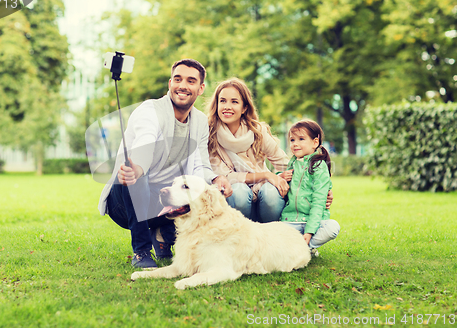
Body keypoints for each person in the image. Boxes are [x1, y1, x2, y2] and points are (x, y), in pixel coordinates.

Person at [98, 59, 233, 269]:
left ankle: (163, 233)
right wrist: (137, 168)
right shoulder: (150, 110)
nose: (183, 86)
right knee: (138, 178)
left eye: (191, 81)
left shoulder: (199, 122)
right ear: (170, 83)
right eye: (178, 79)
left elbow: (200, 165)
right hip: (125, 201)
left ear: (200, 88)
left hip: (163, 200)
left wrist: (215, 178)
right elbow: (145, 144)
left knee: (193, 187)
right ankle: (141, 251)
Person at [206, 77, 290, 223]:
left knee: (271, 192)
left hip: (262, 198)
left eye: (234, 102)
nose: (227, 106)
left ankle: (270, 237)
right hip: (234, 203)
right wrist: (266, 175)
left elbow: (284, 163)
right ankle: (240, 237)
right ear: (217, 104)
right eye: (223, 101)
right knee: (239, 191)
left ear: (244, 107)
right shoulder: (209, 134)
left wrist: (316, 188)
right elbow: (226, 178)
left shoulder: (257, 131)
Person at [280, 119, 340, 257]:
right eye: (292, 140)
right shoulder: (292, 164)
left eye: (301, 139)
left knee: (333, 227)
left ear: (315, 142)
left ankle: (305, 247)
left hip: (313, 222)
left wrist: (309, 231)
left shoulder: (319, 166)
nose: (295, 144)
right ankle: (301, 249)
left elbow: (319, 201)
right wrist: (281, 177)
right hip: (290, 220)